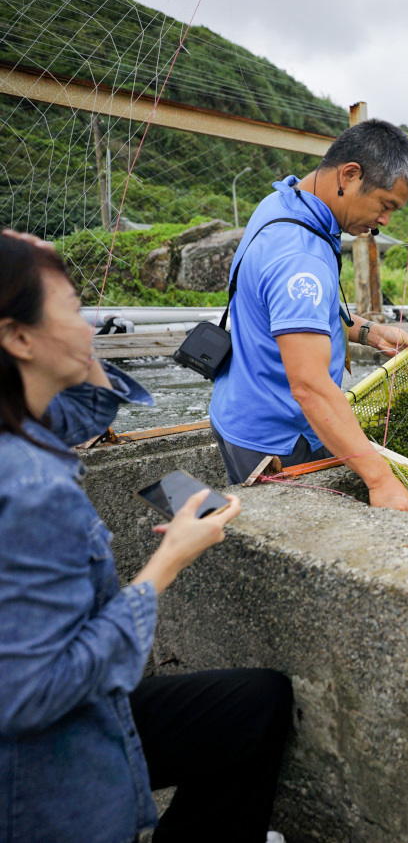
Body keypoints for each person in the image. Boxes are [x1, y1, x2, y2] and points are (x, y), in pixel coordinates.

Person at [0, 231, 293, 843]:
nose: (93, 327)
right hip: (48, 772)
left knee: (255, 703)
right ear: (18, 337)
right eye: (73, 311)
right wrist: (168, 561)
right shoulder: (30, 489)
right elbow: (32, 693)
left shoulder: (23, 423)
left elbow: (87, 412)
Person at [209, 119, 408, 511]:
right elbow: (309, 385)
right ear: (350, 175)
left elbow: (291, 312)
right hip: (276, 441)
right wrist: (381, 480)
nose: (386, 221)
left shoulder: (285, 200)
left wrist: (370, 332)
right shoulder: (301, 256)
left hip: (238, 407)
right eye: (386, 205)